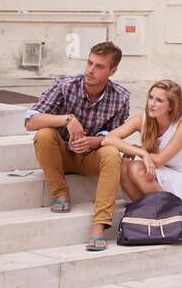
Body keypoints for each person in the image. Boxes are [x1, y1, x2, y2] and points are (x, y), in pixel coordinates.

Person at [25, 41, 130, 252]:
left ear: (113, 70)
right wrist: (67, 120)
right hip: (60, 155)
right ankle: (61, 194)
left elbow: (116, 135)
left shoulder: (121, 97)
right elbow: (31, 121)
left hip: (90, 158)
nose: (90, 71)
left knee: (111, 152)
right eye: (89, 63)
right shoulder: (65, 85)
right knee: (44, 134)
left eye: (99, 66)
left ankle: (99, 226)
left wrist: (94, 141)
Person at [102, 79, 182, 234]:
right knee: (122, 165)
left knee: (135, 167)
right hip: (156, 174)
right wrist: (140, 152)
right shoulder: (142, 119)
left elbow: (160, 160)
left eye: (159, 100)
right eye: (151, 97)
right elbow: (108, 139)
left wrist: (140, 153)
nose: (152, 104)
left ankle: (166, 215)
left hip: (181, 178)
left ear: (171, 106)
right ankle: (148, 215)